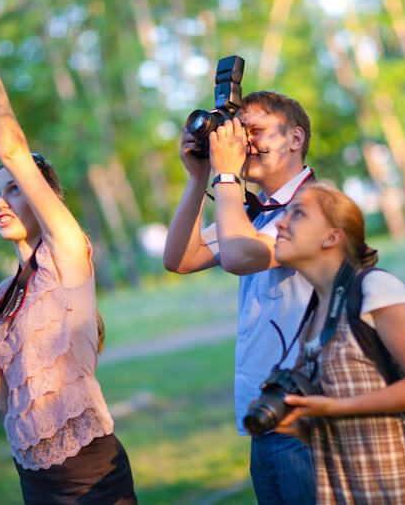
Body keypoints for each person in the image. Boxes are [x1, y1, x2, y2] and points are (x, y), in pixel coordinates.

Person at [0, 0, 136, 505]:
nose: (0, 201)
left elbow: (11, 152)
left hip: (92, 474)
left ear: (43, 195)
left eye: (14, 189)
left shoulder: (67, 254)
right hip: (33, 476)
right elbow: (8, 400)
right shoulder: (2, 295)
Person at [163, 91, 316, 503]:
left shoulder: (314, 207)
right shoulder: (257, 212)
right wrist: (199, 178)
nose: (244, 144)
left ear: (295, 138)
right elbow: (180, 258)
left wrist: (225, 175)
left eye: (256, 131)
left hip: (307, 419)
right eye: (239, 133)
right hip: (264, 413)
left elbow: (239, 256)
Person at [271, 183, 405, 504]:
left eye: (297, 213)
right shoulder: (314, 313)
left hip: (399, 487)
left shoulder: (375, 288)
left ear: (332, 237)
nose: (281, 224)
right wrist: (300, 425)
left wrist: (338, 408)